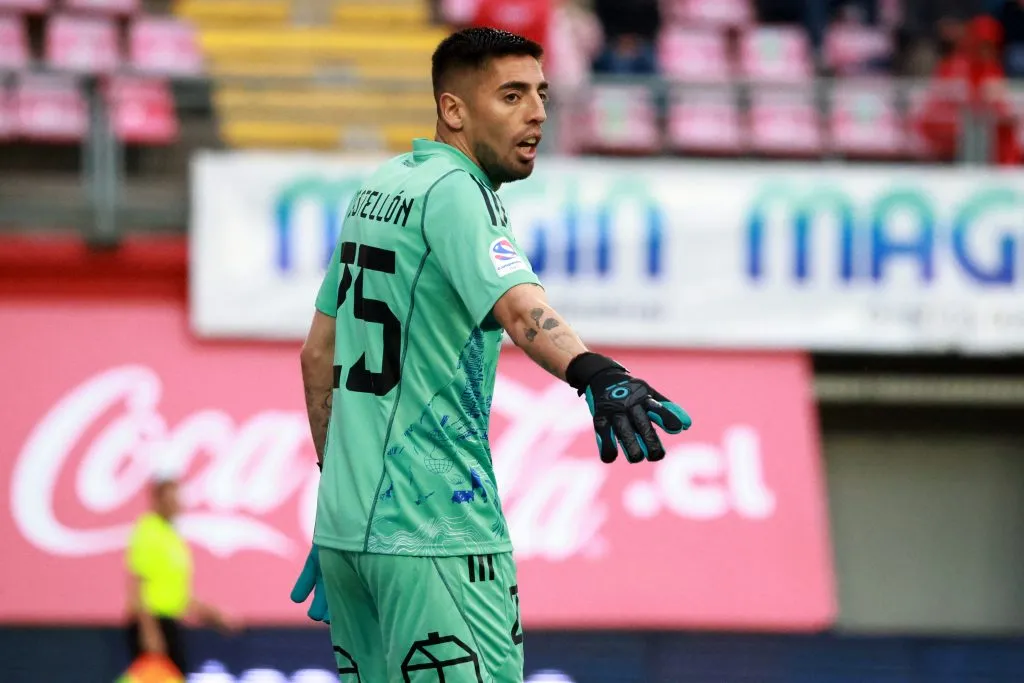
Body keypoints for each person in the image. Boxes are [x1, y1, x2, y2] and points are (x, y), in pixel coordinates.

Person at [289, 27, 692, 683]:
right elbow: (521, 309)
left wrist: (344, 505)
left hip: (347, 533)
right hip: (437, 533)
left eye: (541, 94)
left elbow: (317, 356)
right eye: (511, 96)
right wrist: (595, 372)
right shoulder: (459, 191)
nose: (536, 113)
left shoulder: (381, 185)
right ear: (453, 110)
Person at [125, 478, 236, 676]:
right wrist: (149, 630)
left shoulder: (172, 536)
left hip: (170, 622)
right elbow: (136, 585)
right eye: (171, 499)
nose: (176, 504)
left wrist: (213, 615)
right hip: (154, 623)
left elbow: (180, 593)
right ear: (158, 500)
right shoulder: (148, 531)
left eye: (177, 498)